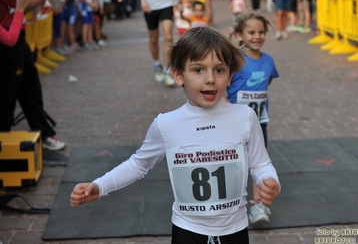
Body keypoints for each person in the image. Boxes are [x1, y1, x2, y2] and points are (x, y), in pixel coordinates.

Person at [70, 27, 281, 243]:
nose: (210, 79)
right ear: (179, 75)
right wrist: (100, 186)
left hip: (235, 231)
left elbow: (261, 163)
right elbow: (138, 164)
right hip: (187, 231)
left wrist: (269, 180)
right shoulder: (166, 124)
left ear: (230, 76)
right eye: (198, 70)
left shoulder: (245, 117)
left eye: (219, 70)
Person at [0, 0, 67, 151]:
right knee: (8, 96)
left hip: (16, 43)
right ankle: (5, 143)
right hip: (9, 47)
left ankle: (43, 133)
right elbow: (10, 37)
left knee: (30, 89)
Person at [226, 12, 280, 225]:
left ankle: (258, 207)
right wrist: (228, 105)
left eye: (261, 32)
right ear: (240, 34)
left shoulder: (268, 61)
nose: (257, 36)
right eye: (251, 32)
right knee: (234, 163)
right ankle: (230, 204)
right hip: (233, 123)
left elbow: (267, 83)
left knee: (258, 163)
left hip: (259, 123)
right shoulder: (235, 60)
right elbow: (223, 85)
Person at [135, 0, 182, 87]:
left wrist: (179, 2)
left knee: (168, 36)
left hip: (167, 4)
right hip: (150, 7)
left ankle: (167, 70)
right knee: (153, 39)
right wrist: (143, 0)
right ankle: (157, 65)